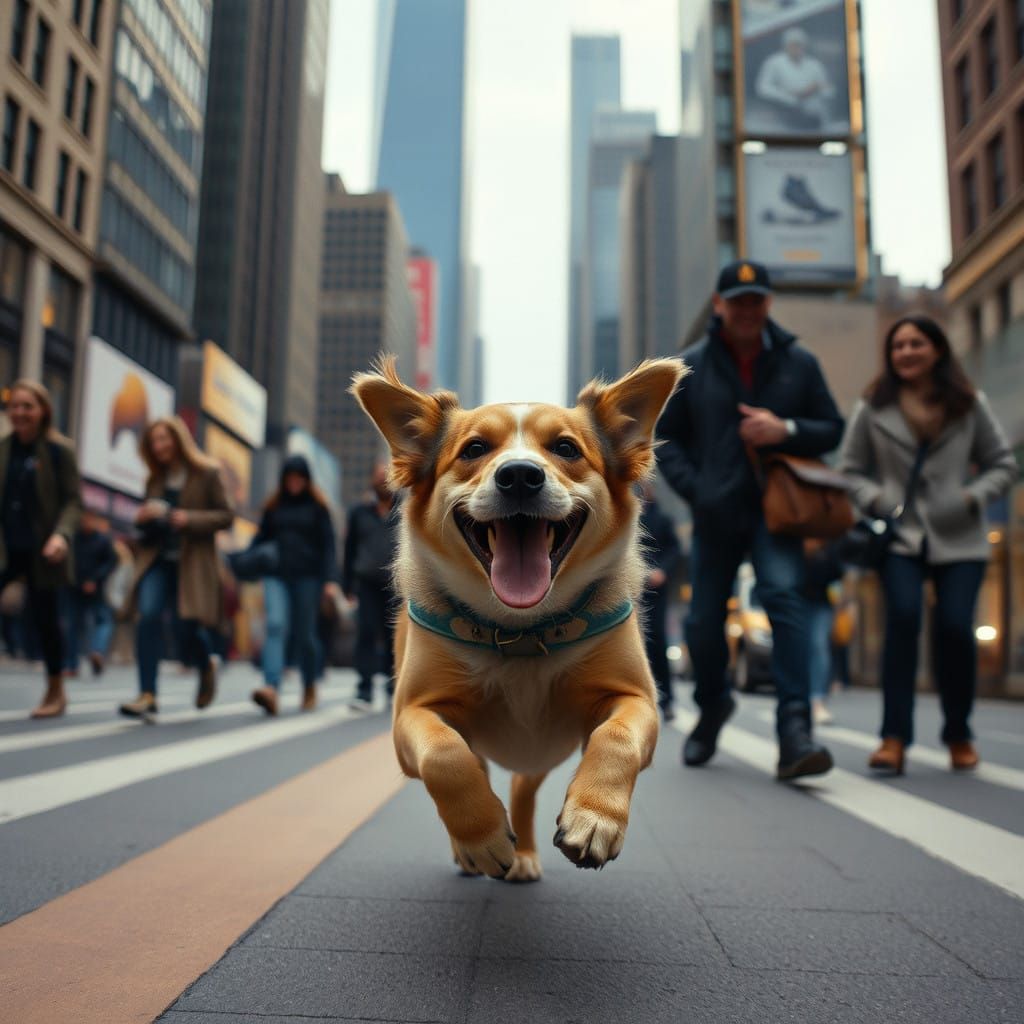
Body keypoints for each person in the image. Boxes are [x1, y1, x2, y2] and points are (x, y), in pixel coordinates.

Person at [656, 260, 844, 780]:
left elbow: (832, 427)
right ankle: (713, 706)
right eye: (736, 300)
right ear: (719, 305)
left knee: (784, 601)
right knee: (702, 623)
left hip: (776, 513)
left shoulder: (798, 362)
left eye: (756, 299)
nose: (747, 309)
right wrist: (697, 490)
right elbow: (664, 440)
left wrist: (782, 428)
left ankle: (795, 732)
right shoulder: (690, 366)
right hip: (714, 515)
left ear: (768, 303)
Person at [837, 316, 1016, 774]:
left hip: (961, 537)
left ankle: (959, 732)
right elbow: (850, 469)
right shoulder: (872, 407)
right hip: (901, 537)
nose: (907, 352)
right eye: (898, 346)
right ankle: (893, 738)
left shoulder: (968, 403)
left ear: (937, 349)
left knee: (956, 628)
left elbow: (1002, 464)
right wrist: (879, 499)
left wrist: (970, 498)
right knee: (902, 620)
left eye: (917, 343)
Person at [120, 417, 234, 717]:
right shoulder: (154, 480)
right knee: (149, 616)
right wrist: (143, 518)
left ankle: (205, 663)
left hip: (192, 563)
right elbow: (148, 524)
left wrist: (188, 519)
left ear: (178, 439)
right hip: (157, 560)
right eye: (154, 441)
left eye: (164, 438)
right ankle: (147, 694)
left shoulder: (207, 472)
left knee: (186, 627)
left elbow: (226, 516)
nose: (160, 446)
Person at [0, 380, 82, 717]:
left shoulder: (59, 450)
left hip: (43, 550)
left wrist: (61, 535)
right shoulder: (4, 448)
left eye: (27, 406)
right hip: (7, 546)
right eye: (14, 405)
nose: (20, 412)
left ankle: (55, 690)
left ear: (43, 411)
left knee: (45, 620)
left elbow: (73, 501)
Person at [250, 455, 338, 716]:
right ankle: (271, 688)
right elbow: (260, 539)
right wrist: (245, 561)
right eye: (290, 477)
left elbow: (329, 548)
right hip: (276, 575)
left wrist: (331, 580)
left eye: (299, 478)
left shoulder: (319, 508)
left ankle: (309, 683)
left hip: (308, 579)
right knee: (275, 625)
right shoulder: (273, 506)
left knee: (305, 635)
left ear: (307, 479)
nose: (294, 482)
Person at [342, 462, 398, 710]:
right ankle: (364, 689)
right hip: (366, 584)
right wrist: (347, 587)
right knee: (365, 633)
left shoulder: (407, 509)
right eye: (379, 477)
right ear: (372, 482)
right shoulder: (358, 512)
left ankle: (393, 687)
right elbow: (349, 550)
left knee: (394, 637)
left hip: (398, 585)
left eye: (387, 477)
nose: (383, 481)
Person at [639, 485, 682, 722]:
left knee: (657, 642)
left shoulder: (662, 518)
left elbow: (675, 549)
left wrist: (662, 571)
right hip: (628, 591)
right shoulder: (626, 511)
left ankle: (666, 701)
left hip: (655, 592)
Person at [63, 511, 118, 676]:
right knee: (72, 625)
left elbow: (111, 562)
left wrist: (95, 579)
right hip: (73, 588)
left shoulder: (102, 540)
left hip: (95, 589)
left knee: (103, 621)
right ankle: (72, 664)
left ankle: (97, 652)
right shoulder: (74, 538)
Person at [754, 26, 835, 132]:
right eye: (793, 44)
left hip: (813, 118)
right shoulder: (774, 62)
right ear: (785, 45)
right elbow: (762, 88)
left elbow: (829, 91)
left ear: (805, 46)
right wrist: (787, 96)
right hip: (784, 116)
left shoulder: (815, 65)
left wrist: (817, 88)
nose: (796, 48)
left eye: (799, 44)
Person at [804, 539, 844, 726]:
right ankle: (797, 701)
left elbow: (838, 571)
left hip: (821, 600)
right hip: (794, 598)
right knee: (796, 647)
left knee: (819, 646)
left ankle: (817, 700)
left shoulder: (827, 536)